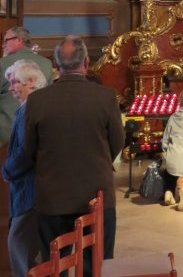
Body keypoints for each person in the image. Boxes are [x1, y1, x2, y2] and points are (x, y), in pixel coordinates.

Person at [24, 36, 124, 274]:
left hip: (53, 196)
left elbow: (30, 148)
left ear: (56, 64)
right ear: (86, 62)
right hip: (96, 194)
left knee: (54, 265)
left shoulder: (37, 100)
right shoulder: (105, 97)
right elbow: (117, 142)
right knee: (96, 265)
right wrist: (98, 162)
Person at [2, 60, 46, 277]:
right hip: (31, 189)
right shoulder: (32, 108)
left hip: (30, 190)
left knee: (17, 242)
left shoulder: (29, 110)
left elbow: (26, 151)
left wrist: (7, 170)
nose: (11, 88)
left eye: (15, 82)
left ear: (31, 82)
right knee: (24, 245)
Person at [0, 27, 53, 145]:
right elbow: (49, 100)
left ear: (19, 40)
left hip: (6, 135)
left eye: (6, 40)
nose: (3, 45)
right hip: (36, 133)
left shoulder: (2, 64)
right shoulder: (47, 63)